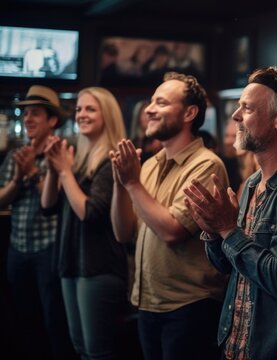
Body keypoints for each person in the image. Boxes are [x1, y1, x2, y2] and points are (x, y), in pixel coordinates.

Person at [183, 66, 277, 359]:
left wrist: (228, 229)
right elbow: (229, 266)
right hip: (236, 342)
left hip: (276, 348)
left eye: (247, 108)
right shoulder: (253, 182)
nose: (236, 116)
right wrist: (213, 233)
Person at [109, 72, 229, 360]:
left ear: (189, 113)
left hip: (189, 306)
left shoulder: (207, 165)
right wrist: (120, 183)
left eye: (161, 102)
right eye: (151, 101)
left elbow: (172, 231)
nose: (150, 109)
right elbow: (123, 232)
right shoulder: (149, 165)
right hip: (149, 302)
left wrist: (133, 184)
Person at [41, 87, 129, 360]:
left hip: (98, 267)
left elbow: (89, 212)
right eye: (79, 109)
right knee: (79, 349)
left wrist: (65, 171)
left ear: (108, 115)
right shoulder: (76, 157)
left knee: (97, 353)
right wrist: (53, 168)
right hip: (71, 263)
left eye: (90, 109)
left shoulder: (110, 159)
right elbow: (48, 206)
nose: (81, 114)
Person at [0, 85, 75, 360]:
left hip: (50, 251)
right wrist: (18, 178)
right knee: (23, 321)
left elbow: (54, 200)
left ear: (52, 120)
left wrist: (31, 172)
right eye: (25, 114)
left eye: (35, 114)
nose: (27, 119)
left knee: (54, 323)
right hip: (17, 249)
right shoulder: (15, 156)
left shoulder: (63, 153)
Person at [129, 98, 162, 163]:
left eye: (151, 114)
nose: (148, 117)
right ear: (138, 117)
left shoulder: (159, 141)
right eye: (144, 114)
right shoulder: (133, 142)